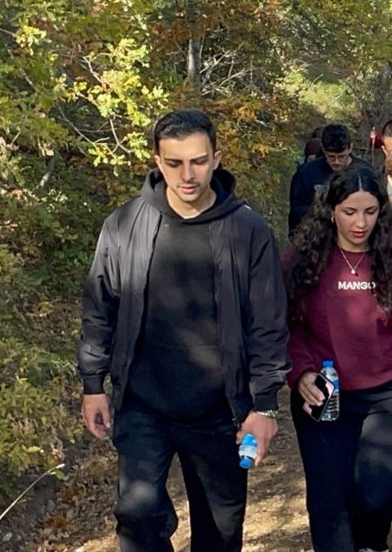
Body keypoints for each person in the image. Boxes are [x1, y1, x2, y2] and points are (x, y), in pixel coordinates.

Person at [78, 109, 289, 552]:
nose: (187, 175)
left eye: (198, 161)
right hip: (144, 403)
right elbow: (101, 307)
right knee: (137, 514)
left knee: (220, 535)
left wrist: (265, 406)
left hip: (221, 411)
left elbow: (268, 323)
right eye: (174, 163)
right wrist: (93, 383)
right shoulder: (124, 225)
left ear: (217, 158)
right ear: (157, 159)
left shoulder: (247, 230)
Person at [286, 167, 392, 552]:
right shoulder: (304, 259)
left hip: (384, 395)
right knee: (328, 497)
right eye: (350, 212)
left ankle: (372, 544)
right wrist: (300, 371)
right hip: (323, 394)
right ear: (331, 211)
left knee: (378, 493)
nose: (360, 223)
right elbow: (282, 324)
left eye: (370, 212)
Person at [289, 123, 370, 235]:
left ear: (350, 148)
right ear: (323, 149)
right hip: (317, 236)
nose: (336, 162)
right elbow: (297, 212)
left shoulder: (366, 172)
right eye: (331, 157)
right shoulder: (307, 173)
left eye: (342, 157)